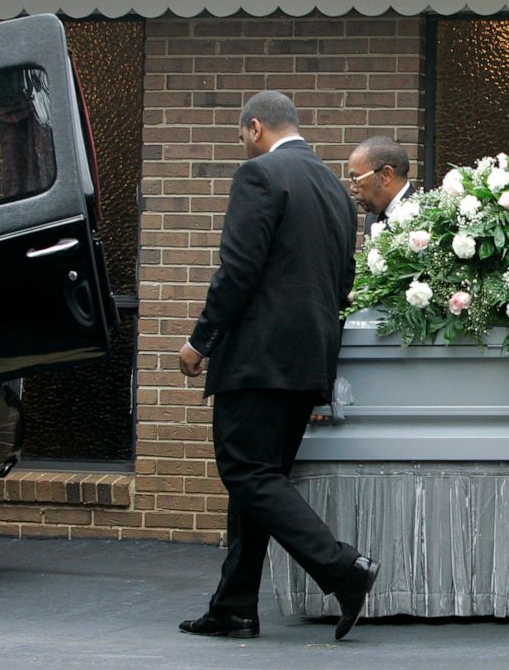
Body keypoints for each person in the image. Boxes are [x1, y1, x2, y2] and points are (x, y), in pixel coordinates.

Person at [177, 91, 378, 641]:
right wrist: (323, 381)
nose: (244, 146)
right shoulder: (337, 193)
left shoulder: (260, 175)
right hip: (305, 360)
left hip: (257, 360)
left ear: (255, 127)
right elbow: (342, 288)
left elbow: (237, 270)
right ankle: (234, 607)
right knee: (259, 482)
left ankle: (344, 569)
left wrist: (201, 341)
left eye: (243, 136)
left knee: (247, 472)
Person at [347, 135, 414, 237]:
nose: (352, 189)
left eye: (356, 179)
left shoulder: (425, 220)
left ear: (386, 175)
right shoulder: (372, 217)